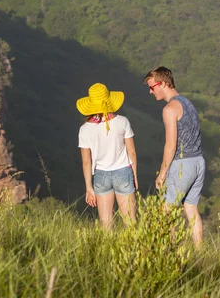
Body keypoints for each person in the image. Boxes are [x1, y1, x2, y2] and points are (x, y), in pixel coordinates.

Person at [144, 66, 205, 248]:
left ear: (162, 83)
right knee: (191, 210)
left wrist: (162, 173)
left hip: (182, 163)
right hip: (198, 162)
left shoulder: (170, 109)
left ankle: (168, 253)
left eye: (152, 87)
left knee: (166, 212)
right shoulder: (188, 103)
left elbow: (171, 145)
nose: (150, 91)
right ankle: (200, 252)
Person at [77, 83, 138, 230]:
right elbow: (132, 153)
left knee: (106, 225)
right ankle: (133, 252)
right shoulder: (123, 121)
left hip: (100, 176)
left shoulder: (84, 129)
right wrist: (134, 175)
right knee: (130, 223)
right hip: (123, 172)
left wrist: (89, 187)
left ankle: (107, 253)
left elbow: (86, 162)